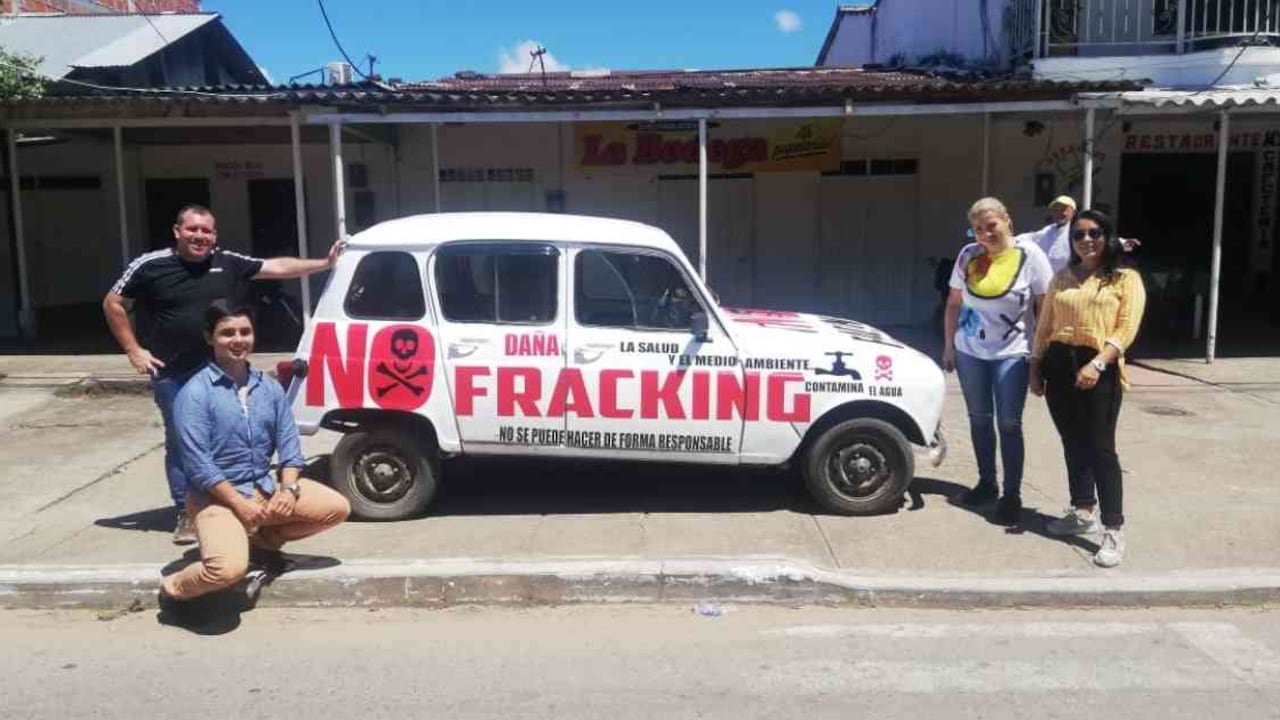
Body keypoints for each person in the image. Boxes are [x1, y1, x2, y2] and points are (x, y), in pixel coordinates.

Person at [103, 204, 346, 545]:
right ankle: (187, 512)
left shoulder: (227, 262)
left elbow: (273, 267)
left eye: (207, 231)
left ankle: (229, 501)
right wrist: (133, 350)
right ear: (177, 231)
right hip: (175, 372)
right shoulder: (151, 265)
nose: (200, 236)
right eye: (193, 230)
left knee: (233, 437)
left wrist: (322, 264)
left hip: (224, 371)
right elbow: (113, 302)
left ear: (214, 235)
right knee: (182, 444)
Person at [158, 300, 350, 613]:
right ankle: (174, 589)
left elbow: (290, 446)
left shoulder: (269, 388)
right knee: (226, 571)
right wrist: (240, 506)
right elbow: (200, 466)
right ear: (210, 338)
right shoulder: (194, 394)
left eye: (245, 332)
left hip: (263, 488)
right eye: (227, 333)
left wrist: (288, 488)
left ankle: (261, 544)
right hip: (215, 500)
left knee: (336, 508)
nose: (238, 340)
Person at [1030, 209, 1146, 568]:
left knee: (1100, 448)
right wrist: (1035, 364)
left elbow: (1126, 328)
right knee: (1072, 442)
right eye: (1078, 235)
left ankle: (1113, 527)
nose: (1086, 240)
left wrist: (1098, 363)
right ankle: (1082, 510)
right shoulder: (1062, 277)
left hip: (1099, 364)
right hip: (1059, 363)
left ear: (1106, 236)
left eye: (1094, 233)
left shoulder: (1124, 278)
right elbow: (1045, 323)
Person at [943, 197, 1054, 526]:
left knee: (1009, 424)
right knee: (978, 419)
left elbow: (1045, 308)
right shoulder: (968, 256)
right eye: (978, 229)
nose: (985, 234)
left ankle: (1012, 494)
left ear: (1006, 220)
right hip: (969, 352)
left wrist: (1040, 355)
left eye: (991, 225)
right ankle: (986, 483)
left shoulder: (1030, 256)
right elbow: (952, 303)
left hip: (1012, 353)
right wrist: (948, 346)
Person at [1017, 195, 1077, 274]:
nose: (1061, 213)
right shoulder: (1049, 230)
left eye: (1064, 209)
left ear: (1074, 212)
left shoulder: (1078, 231)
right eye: (1056, 210)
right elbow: (1031, 237)